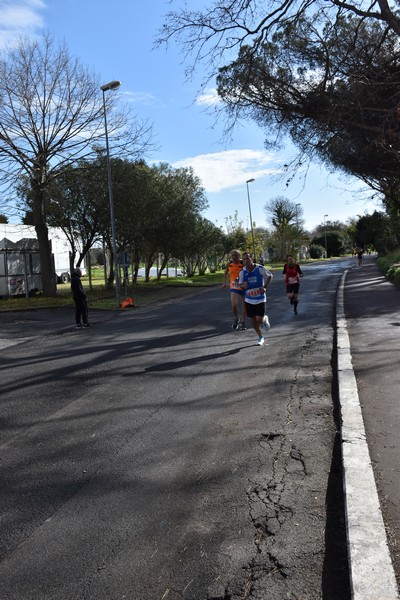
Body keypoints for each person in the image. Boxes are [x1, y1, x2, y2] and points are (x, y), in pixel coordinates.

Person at [238, 252, 273, 346]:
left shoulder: (259, 268)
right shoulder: (242, 272)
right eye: (244, 259)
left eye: (247, 258)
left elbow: (270, 276)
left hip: (260, 298)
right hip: (249, 299)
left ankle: (265, 319)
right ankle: (260, 337)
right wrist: (242, 286)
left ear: (251, 259)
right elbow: (240, 284)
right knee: (253, 319)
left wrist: (265, 287)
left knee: (259, 320)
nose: (246, 261)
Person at [223, 249, 247, 330]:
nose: (234, 257)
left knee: (245, 305)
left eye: (236, 255)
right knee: (234, 304)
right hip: (234, 287)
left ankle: (243, 321)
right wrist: (224, 283)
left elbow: (247, 273)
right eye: (232, 255)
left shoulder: (242, 263)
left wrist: (241, 278)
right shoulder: (229, 264)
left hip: (243, 286)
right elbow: (226, 273)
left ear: (239, 256)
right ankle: (236, 318)